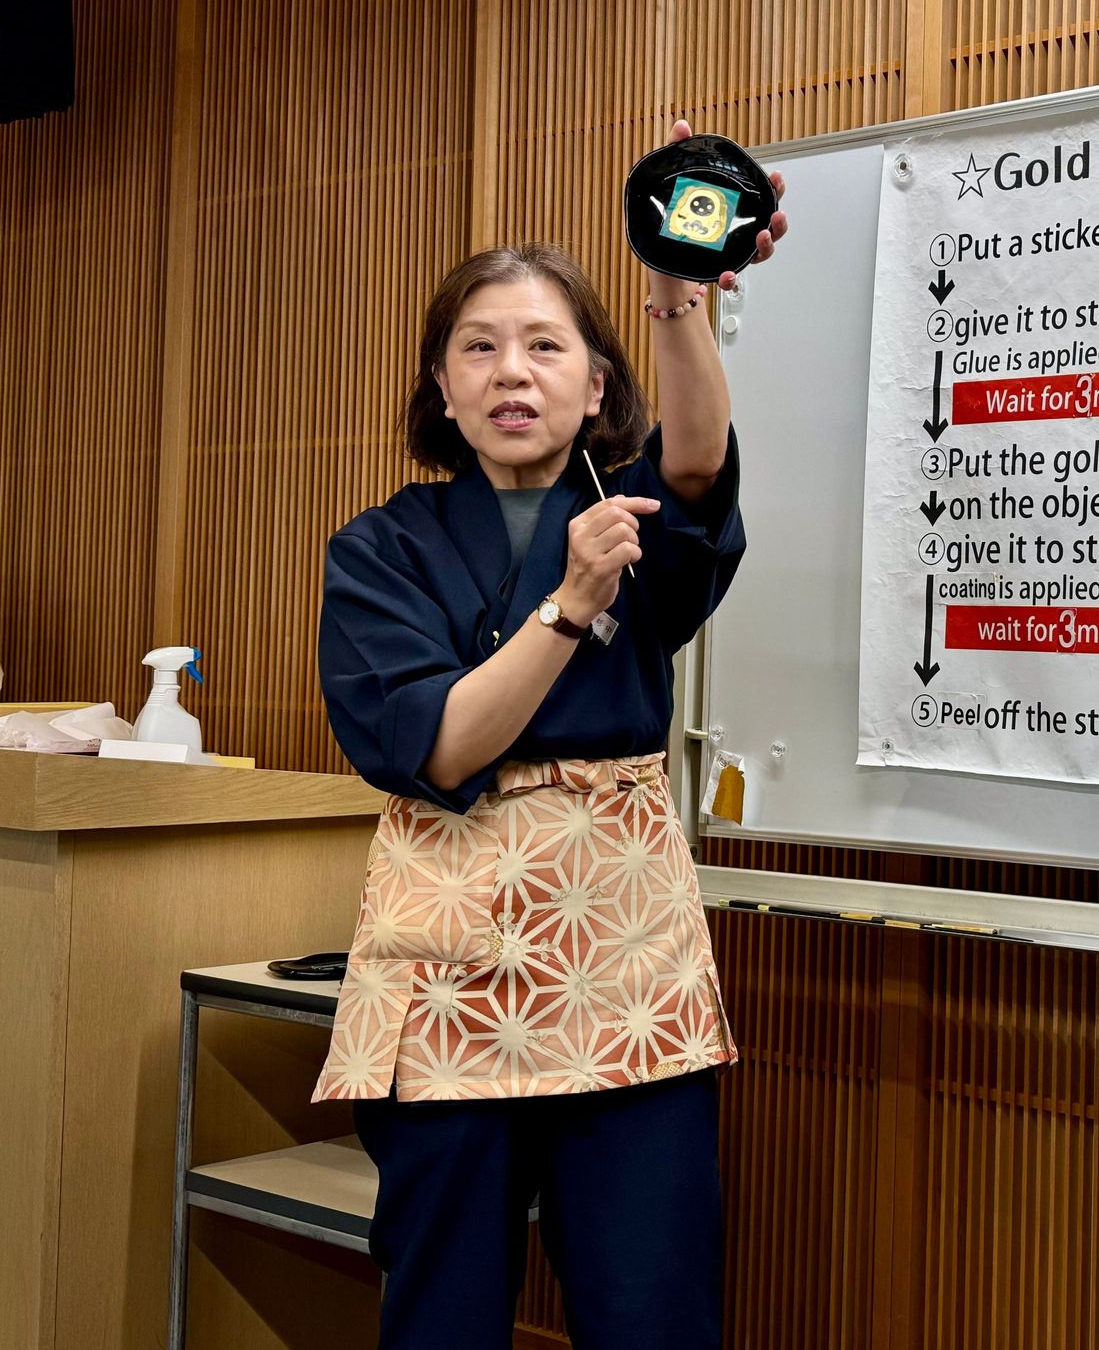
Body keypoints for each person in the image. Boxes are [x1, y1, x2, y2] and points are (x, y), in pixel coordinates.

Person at [310, 122, 787, 1349]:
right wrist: (570, 605)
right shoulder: (380, 547)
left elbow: (696, 465)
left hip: (622, 952)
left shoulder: (633, 514)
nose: (509, 372)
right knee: (444, 1306)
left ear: (595, 386)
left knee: (650, 1303)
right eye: (477, 347)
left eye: (543, 345)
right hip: (447, 960)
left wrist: (676, 290)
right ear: (441, 385)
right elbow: (442, 747)